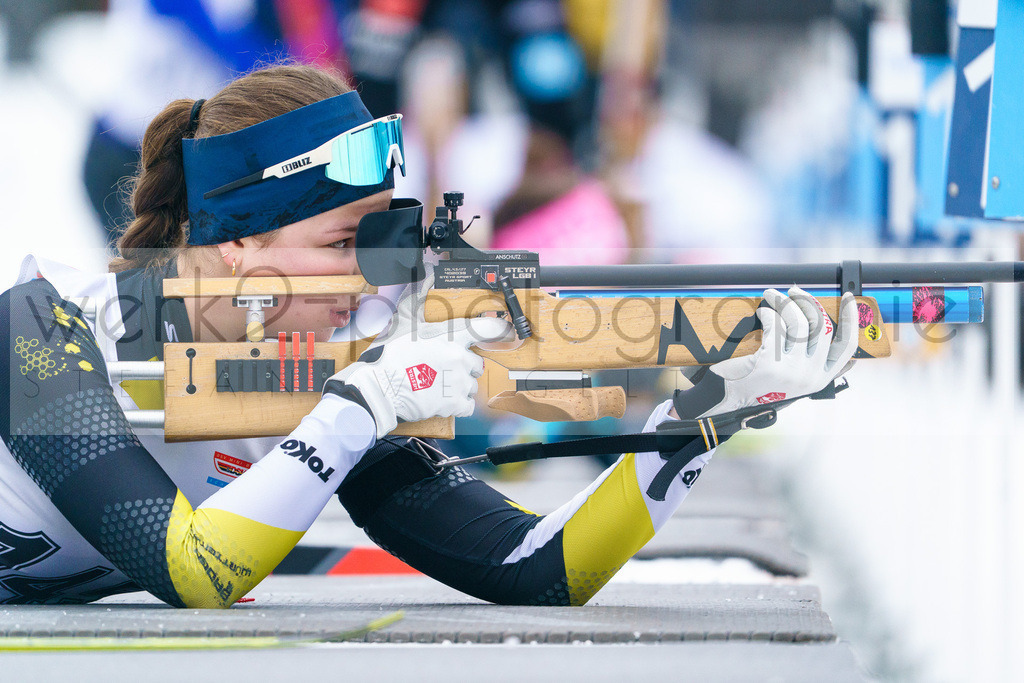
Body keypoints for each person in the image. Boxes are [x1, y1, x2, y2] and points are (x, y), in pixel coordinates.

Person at [0, 63, 858, 607]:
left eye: (378, 244)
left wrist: (701, 419)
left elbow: (536, 566)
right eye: (342, 245)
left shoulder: (311, 378)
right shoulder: (41, 327)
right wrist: (360, 405)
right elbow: (193, 569)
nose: (369, 279)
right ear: (240, 242)